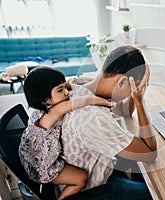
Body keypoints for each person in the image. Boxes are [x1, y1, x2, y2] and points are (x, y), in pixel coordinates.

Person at [60, 45, 157, 199]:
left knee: (137, 170)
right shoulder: (94, 119)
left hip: (88, 168)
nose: (133, 92)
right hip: (94, 190)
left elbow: (124, 110)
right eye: (135, 86)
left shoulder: (78, 85)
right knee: (155, 193)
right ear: (123, 81)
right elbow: (150, 153)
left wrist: (136, 90)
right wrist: (139, 101)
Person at [18, 66, 113, 200]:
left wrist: (71, 84)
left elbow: (72, 84)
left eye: (64, 87)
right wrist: (106, 103)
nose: (66, 93)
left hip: (30, 155)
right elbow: (82, 101)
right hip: (42, 166)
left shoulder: (47, 105)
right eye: (60, 90)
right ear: (45, 100)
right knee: (80, 178)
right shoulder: (51, 113)